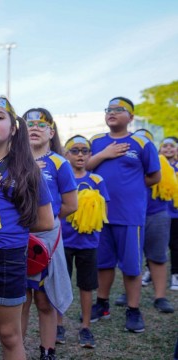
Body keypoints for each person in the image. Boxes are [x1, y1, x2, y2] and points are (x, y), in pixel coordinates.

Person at [0, 97, 54, 360]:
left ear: (14, 128)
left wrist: (11, 229)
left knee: (9, 334)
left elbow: (46, 221)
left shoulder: (28, 169)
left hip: (10, 258)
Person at [86, 97, 161, 333]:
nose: (112, 113)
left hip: (129, 215)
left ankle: (133, 309)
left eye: (119, 110)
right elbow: (85, 166)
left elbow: (155, 176)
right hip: (101, 215)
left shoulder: (141, 142)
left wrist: (133, 190)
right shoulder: (97, 142)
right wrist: (105, 154)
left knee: (131, 266)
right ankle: (102, 304)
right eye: (109, 109)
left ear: (131, 117)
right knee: (104, 263)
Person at [21, 108, 77, 360]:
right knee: (19, 300)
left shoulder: (59, 162)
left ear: (51, 132)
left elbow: (70, 204)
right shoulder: (13, 159)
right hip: (17, 237)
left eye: (41, 125)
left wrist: (46, 223)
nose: (34, 127)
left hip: (46, 239)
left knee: (45, 300)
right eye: (28, 124)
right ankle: (17, 348)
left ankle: (48, 350)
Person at [58, 135, 110, 348]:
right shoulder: (63, 178)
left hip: (88, 243)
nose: (80, 155)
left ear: (90, 154)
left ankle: (85, 327)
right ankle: (58, 325)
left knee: (86, 286)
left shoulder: (97, 180)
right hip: (63, 242)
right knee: (61, 285)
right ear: (66, 154)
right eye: (75, 150)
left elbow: (104, 212)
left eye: (85, 151)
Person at [116, 129, 174, 313]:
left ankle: (160, 297)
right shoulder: (125, 160)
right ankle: (129, 293)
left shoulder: (160, 162)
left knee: (157, 256)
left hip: (155, 213)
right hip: (130, 214)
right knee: (130, 257)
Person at [159, 137, 178, 291]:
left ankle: (175, 274)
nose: (168, 149)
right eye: (165, 146)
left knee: (175, 244)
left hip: (176, 213)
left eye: (172, 146)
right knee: (156, 243)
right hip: (160, 211)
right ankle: (150, 272)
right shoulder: (155, 166)